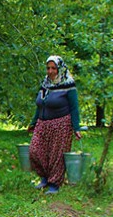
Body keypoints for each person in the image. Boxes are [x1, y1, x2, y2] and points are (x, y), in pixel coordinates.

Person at [27, 55, 82, 194]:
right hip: (42, 123)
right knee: (35, 151)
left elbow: (74, 107)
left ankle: (54, 184)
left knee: (56, 155)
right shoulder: (45, 84)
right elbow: (39, 106)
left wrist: (76, 127)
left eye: (53, 68)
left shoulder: (68, 84)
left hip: (61, 123)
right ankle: (44, 177)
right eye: (48, 68)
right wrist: (33, 123)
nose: (50, 71)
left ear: (60, 69)